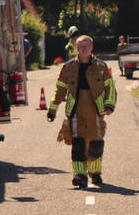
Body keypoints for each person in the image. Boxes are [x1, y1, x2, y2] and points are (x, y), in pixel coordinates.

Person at [46, 34, 117, 188]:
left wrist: (109, 104)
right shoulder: (68, 67)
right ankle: (80, 175)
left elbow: (110, 87)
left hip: (96, 109)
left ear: (92, 48)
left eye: (87, 46)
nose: (84, 49)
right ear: (76, 48)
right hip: (76, 110)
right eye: (80, 46)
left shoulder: (102, 66)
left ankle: (95, 173)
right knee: (78, 143)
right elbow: (60, 89)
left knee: (96, 142)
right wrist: (53, 109)